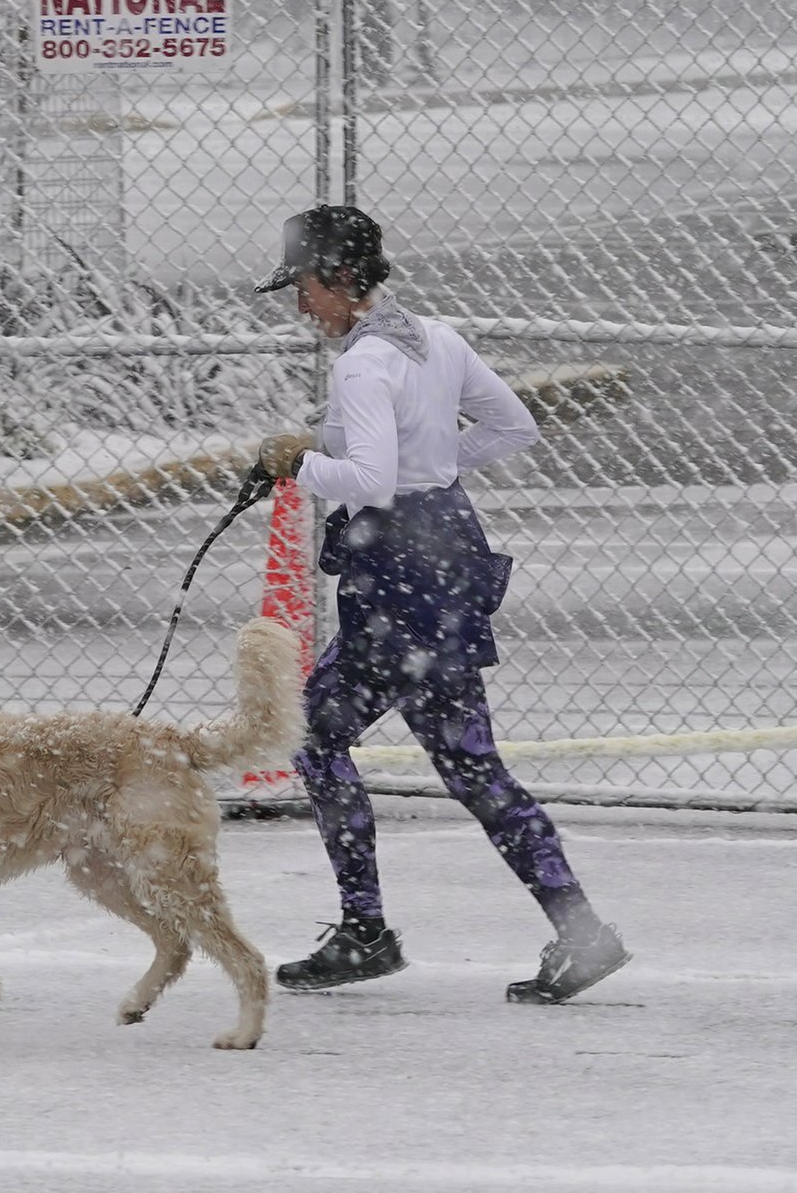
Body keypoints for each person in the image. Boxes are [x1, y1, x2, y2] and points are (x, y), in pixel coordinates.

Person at [252, 205, 630, 1005]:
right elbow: (513, 426)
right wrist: (435, 468)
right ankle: (578, 928)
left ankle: (366, 930)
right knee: (468, 765)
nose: (300, 307)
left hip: (396, 575)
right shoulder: (437, 338)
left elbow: (370, 482)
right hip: (445, 558)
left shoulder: (360, 367)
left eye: (307, 287)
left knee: (319, 739)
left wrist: (297, 465)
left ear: (344, 280)